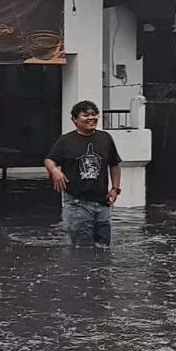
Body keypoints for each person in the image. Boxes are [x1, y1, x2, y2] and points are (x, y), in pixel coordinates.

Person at [44, 100, 121, 247]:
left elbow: (115, 164)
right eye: (86, 115)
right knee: (83, 248)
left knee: (104, 246)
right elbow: (49, 159)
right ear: (75, 120)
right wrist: (54, 170)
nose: (91, 118)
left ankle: (100, 270)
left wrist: (115, 188)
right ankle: (81, 270)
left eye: (94, 114)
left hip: (102, 201)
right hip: (77, 202)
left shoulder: (105, 138)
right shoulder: (65, 141)